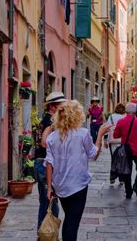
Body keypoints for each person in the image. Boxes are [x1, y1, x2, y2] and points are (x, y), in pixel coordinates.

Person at [45, 100, 103, 241]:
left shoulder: (52, 137)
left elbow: (49, 164)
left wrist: (49, 188)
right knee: (73, 221)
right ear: (77, 115)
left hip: (60, 185)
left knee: (70, 218)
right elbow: (93, 154)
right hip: (78, 185)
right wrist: (100, 134)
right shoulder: (83, 134)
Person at [34, 91, 65, 228]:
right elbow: (45, 143)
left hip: (40, 163)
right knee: (52, 203)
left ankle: (43, 234)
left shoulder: (46, 119)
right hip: (44, 165)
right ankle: (49, 233)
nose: (63, 108)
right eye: (61, 105)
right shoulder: (50, 121)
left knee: (45, 203)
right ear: (52, 107)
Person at [112, 102, 137, 199]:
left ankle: (128, 191)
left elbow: (115, 135)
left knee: (127, 170)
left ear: (126, 111)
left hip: (126, 150)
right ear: (135, 112)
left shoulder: (121, 122)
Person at [104, 103, 127, 184]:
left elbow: (106, 129)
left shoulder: (111, 117)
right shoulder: (125, 117)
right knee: (122, 159)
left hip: (113, 141)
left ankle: (112, 177)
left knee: (113, 159)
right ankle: (121, 178)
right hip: (122, 141)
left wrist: (105, 141)